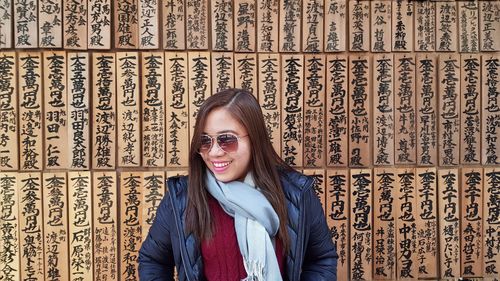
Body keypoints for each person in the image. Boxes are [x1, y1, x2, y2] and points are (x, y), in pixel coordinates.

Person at [139, 88, 337, 281]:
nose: (214, 152)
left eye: (227, 140)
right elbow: (153, 260)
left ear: (254, 139)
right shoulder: (184, 196)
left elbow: (321, 259)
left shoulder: (295, 193)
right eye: (205, 141)